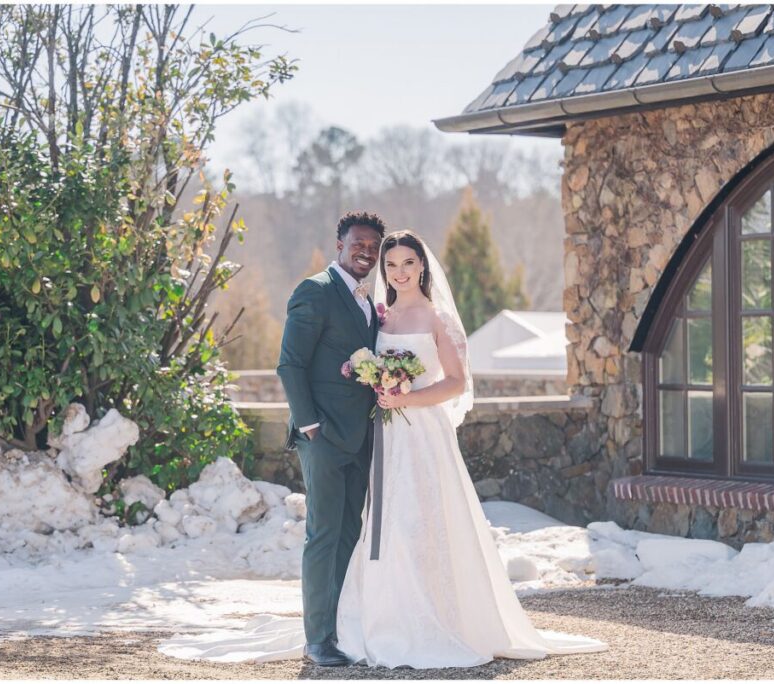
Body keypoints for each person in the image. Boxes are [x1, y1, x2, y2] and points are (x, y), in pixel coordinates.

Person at [158, 228, 607, 668]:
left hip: (419, 434)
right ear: (348, 249)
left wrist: (403, 396)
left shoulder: (434, 317)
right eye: (389, 263)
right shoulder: (378, 314)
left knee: (421, 523)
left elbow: (456, 381)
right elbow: (294, 363)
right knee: (378, 527)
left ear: (423, 266)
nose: (397, 270)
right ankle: (350, 626)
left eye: (406, 262)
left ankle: (436, 616)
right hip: (380, 436)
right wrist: (340, 402)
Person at [276, 210, 385, 666]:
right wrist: (310, 426)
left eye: (374, 247)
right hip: (321, 436)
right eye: (358, 243)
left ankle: (338, 626)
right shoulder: (314, 291)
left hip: (361, 436)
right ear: (339, 243)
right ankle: (316, 638)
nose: (366, 252)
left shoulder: (369, 301)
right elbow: (290, 363)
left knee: (349, 533)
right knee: (323, 534)